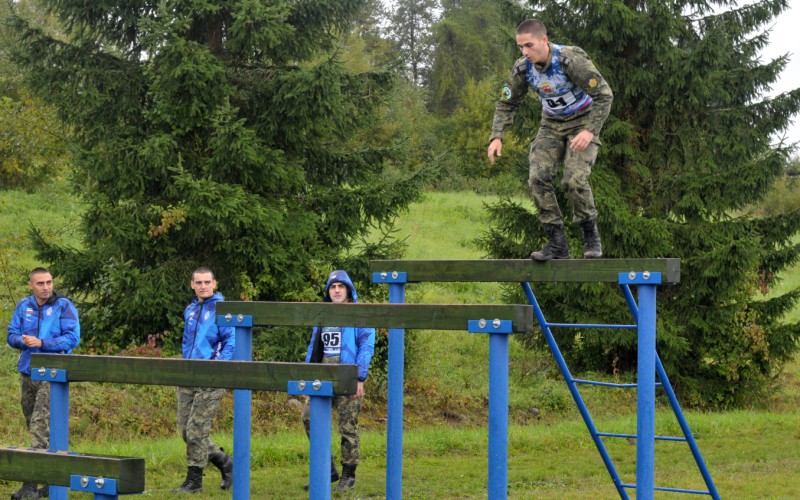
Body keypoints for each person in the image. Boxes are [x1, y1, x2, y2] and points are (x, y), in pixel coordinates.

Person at [488, 19, 613, 260]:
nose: (525, 52)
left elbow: (604, 95)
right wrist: (497, 136)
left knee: (574, 180)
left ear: (544, 40)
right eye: (520, 47)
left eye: (529, 45)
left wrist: (590, 131)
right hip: (551, 125)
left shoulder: (569, 59)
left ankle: (590, 235)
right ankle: (557, 243)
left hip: (583, 121)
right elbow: (507, 102)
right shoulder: (523, 68)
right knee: (537, 178)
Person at [7, 267, 80, 499]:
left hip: (53, 374)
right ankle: (52, 480)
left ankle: (30, 485)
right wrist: (22, 340)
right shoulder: (23, 306)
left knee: (40, 426)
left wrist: (42, 342)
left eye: (49, 282)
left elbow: (73, 338)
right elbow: (11, 335)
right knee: (35, 426)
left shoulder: (64, 306)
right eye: (40, 283)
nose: (46, 287)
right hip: (29, 373)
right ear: (32, 285)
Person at [301, 270, 375, 492]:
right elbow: (314, 347)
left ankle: (348, 474)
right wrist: (307, 376)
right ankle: (327, 469)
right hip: (323, 377)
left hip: (347, 377)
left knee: (347, 427)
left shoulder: (359, 314)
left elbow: (366, 345)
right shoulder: (323, 314)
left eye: (341, 287)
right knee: (308, 418)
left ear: (349, 290)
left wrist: (359, 378)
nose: (336, 290)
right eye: (332, 287)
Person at [171, 267, 235, 494]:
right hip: (188, 375)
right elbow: (188, 343)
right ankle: (225, 462)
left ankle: (194, 481)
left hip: (210, 376)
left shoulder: (223, 310)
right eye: (198, 282)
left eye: (207, 282)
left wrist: (217, 369)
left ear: (214, 284)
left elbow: (230, 343)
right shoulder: (189, 310)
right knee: (185, 430)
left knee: (197, 430)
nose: (203, 286)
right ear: (192, 285)